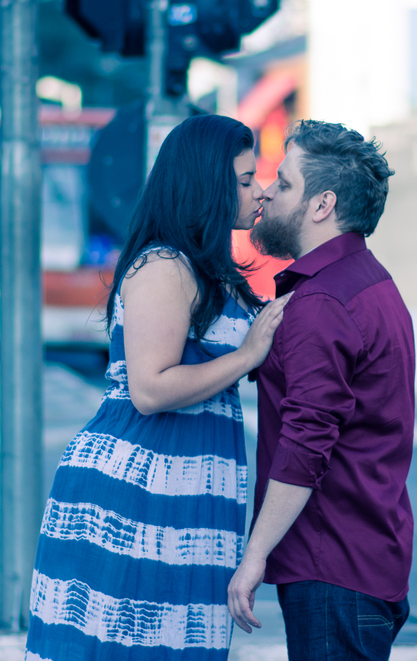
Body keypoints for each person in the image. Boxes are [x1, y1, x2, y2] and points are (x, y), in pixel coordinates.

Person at [25, 115, 292, 661]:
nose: (260, 190)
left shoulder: (209, 269)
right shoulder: (165, 265)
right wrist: (246, 356)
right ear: (206, 186)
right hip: (140, 488)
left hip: (187, 481)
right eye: (245, 181)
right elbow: (149, 388)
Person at [227, 120, 415, 661]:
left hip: (332, 567)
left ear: (321, 203)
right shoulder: (371, 281)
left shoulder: (322, 304)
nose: (267, 191)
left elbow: (307, 442)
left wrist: (255, 554)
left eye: (284, 184)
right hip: (367, 556)